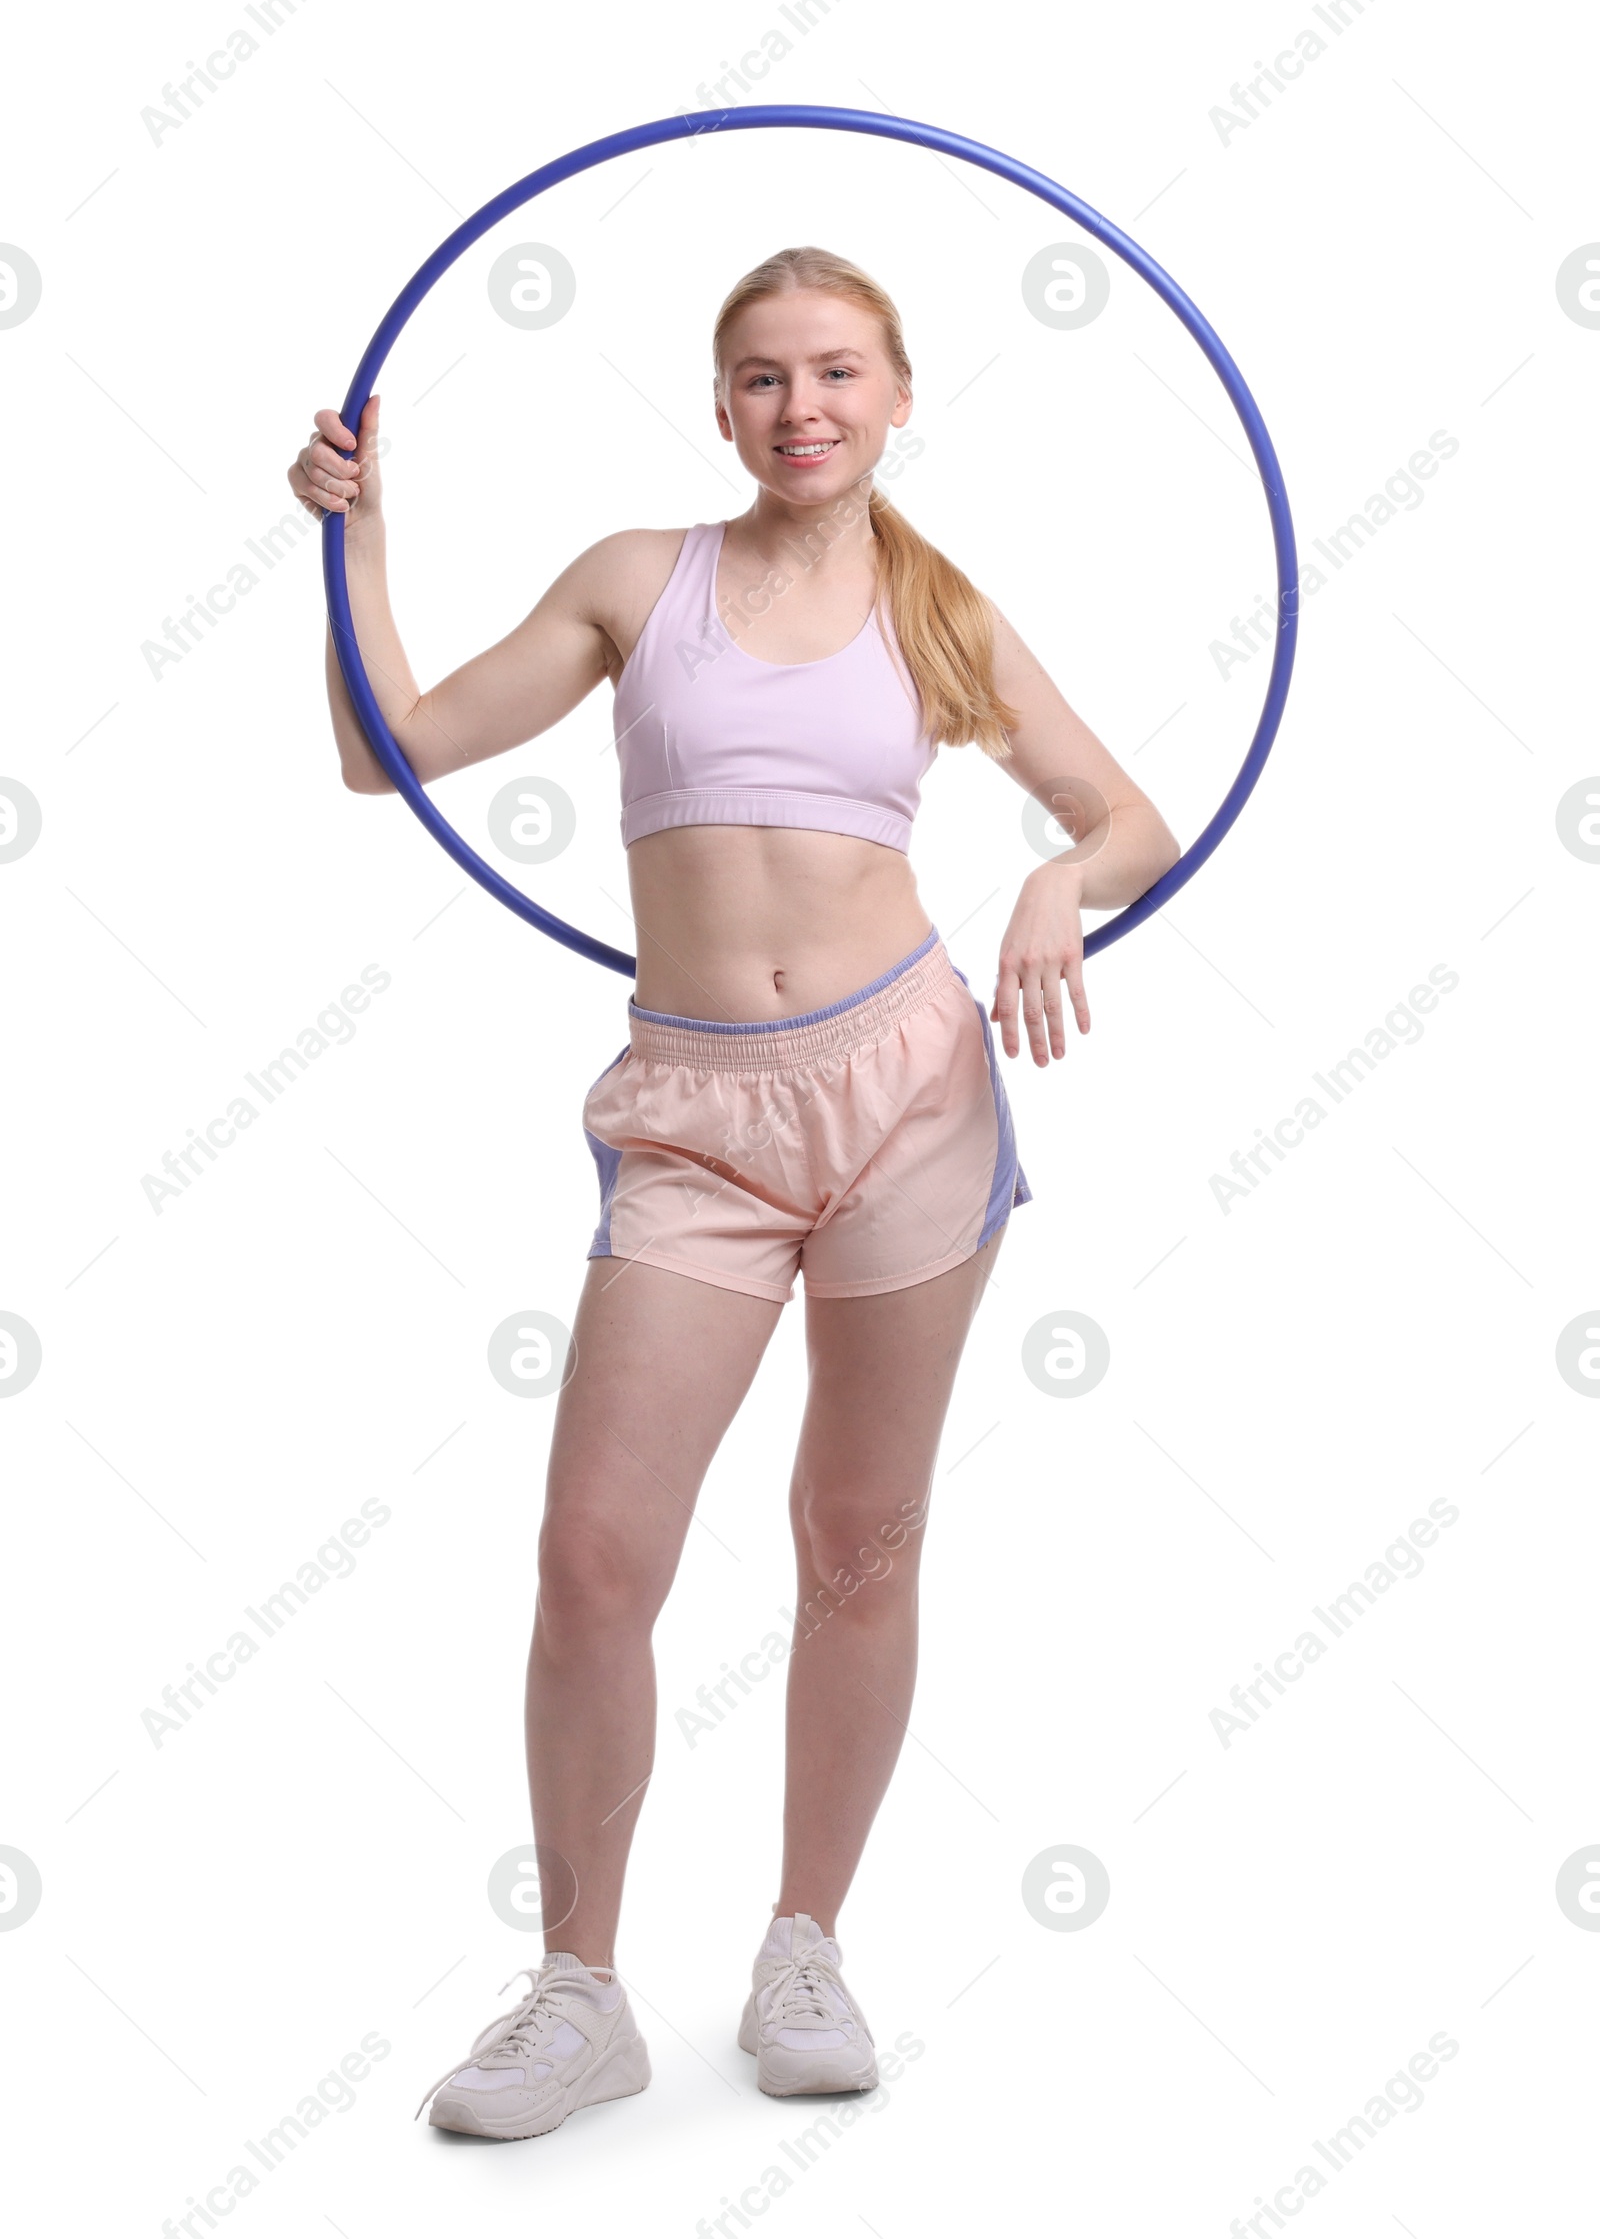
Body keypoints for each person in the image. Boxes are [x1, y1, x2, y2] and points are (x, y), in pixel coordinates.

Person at [287, 244, 1179, 2143]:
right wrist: (356, 542)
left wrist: (1046, 885)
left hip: (909, 1091)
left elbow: (1130, 819)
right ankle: (581, 1986)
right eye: (765, 378)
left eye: (839, 371)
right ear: (721, 407)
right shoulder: (639, 579)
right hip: (695, 1109)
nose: (805, 407)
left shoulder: (938, 605)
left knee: (858, 1537)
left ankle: (805, 1944)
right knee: (594, 1554)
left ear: (899, 391)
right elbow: (394, 748)